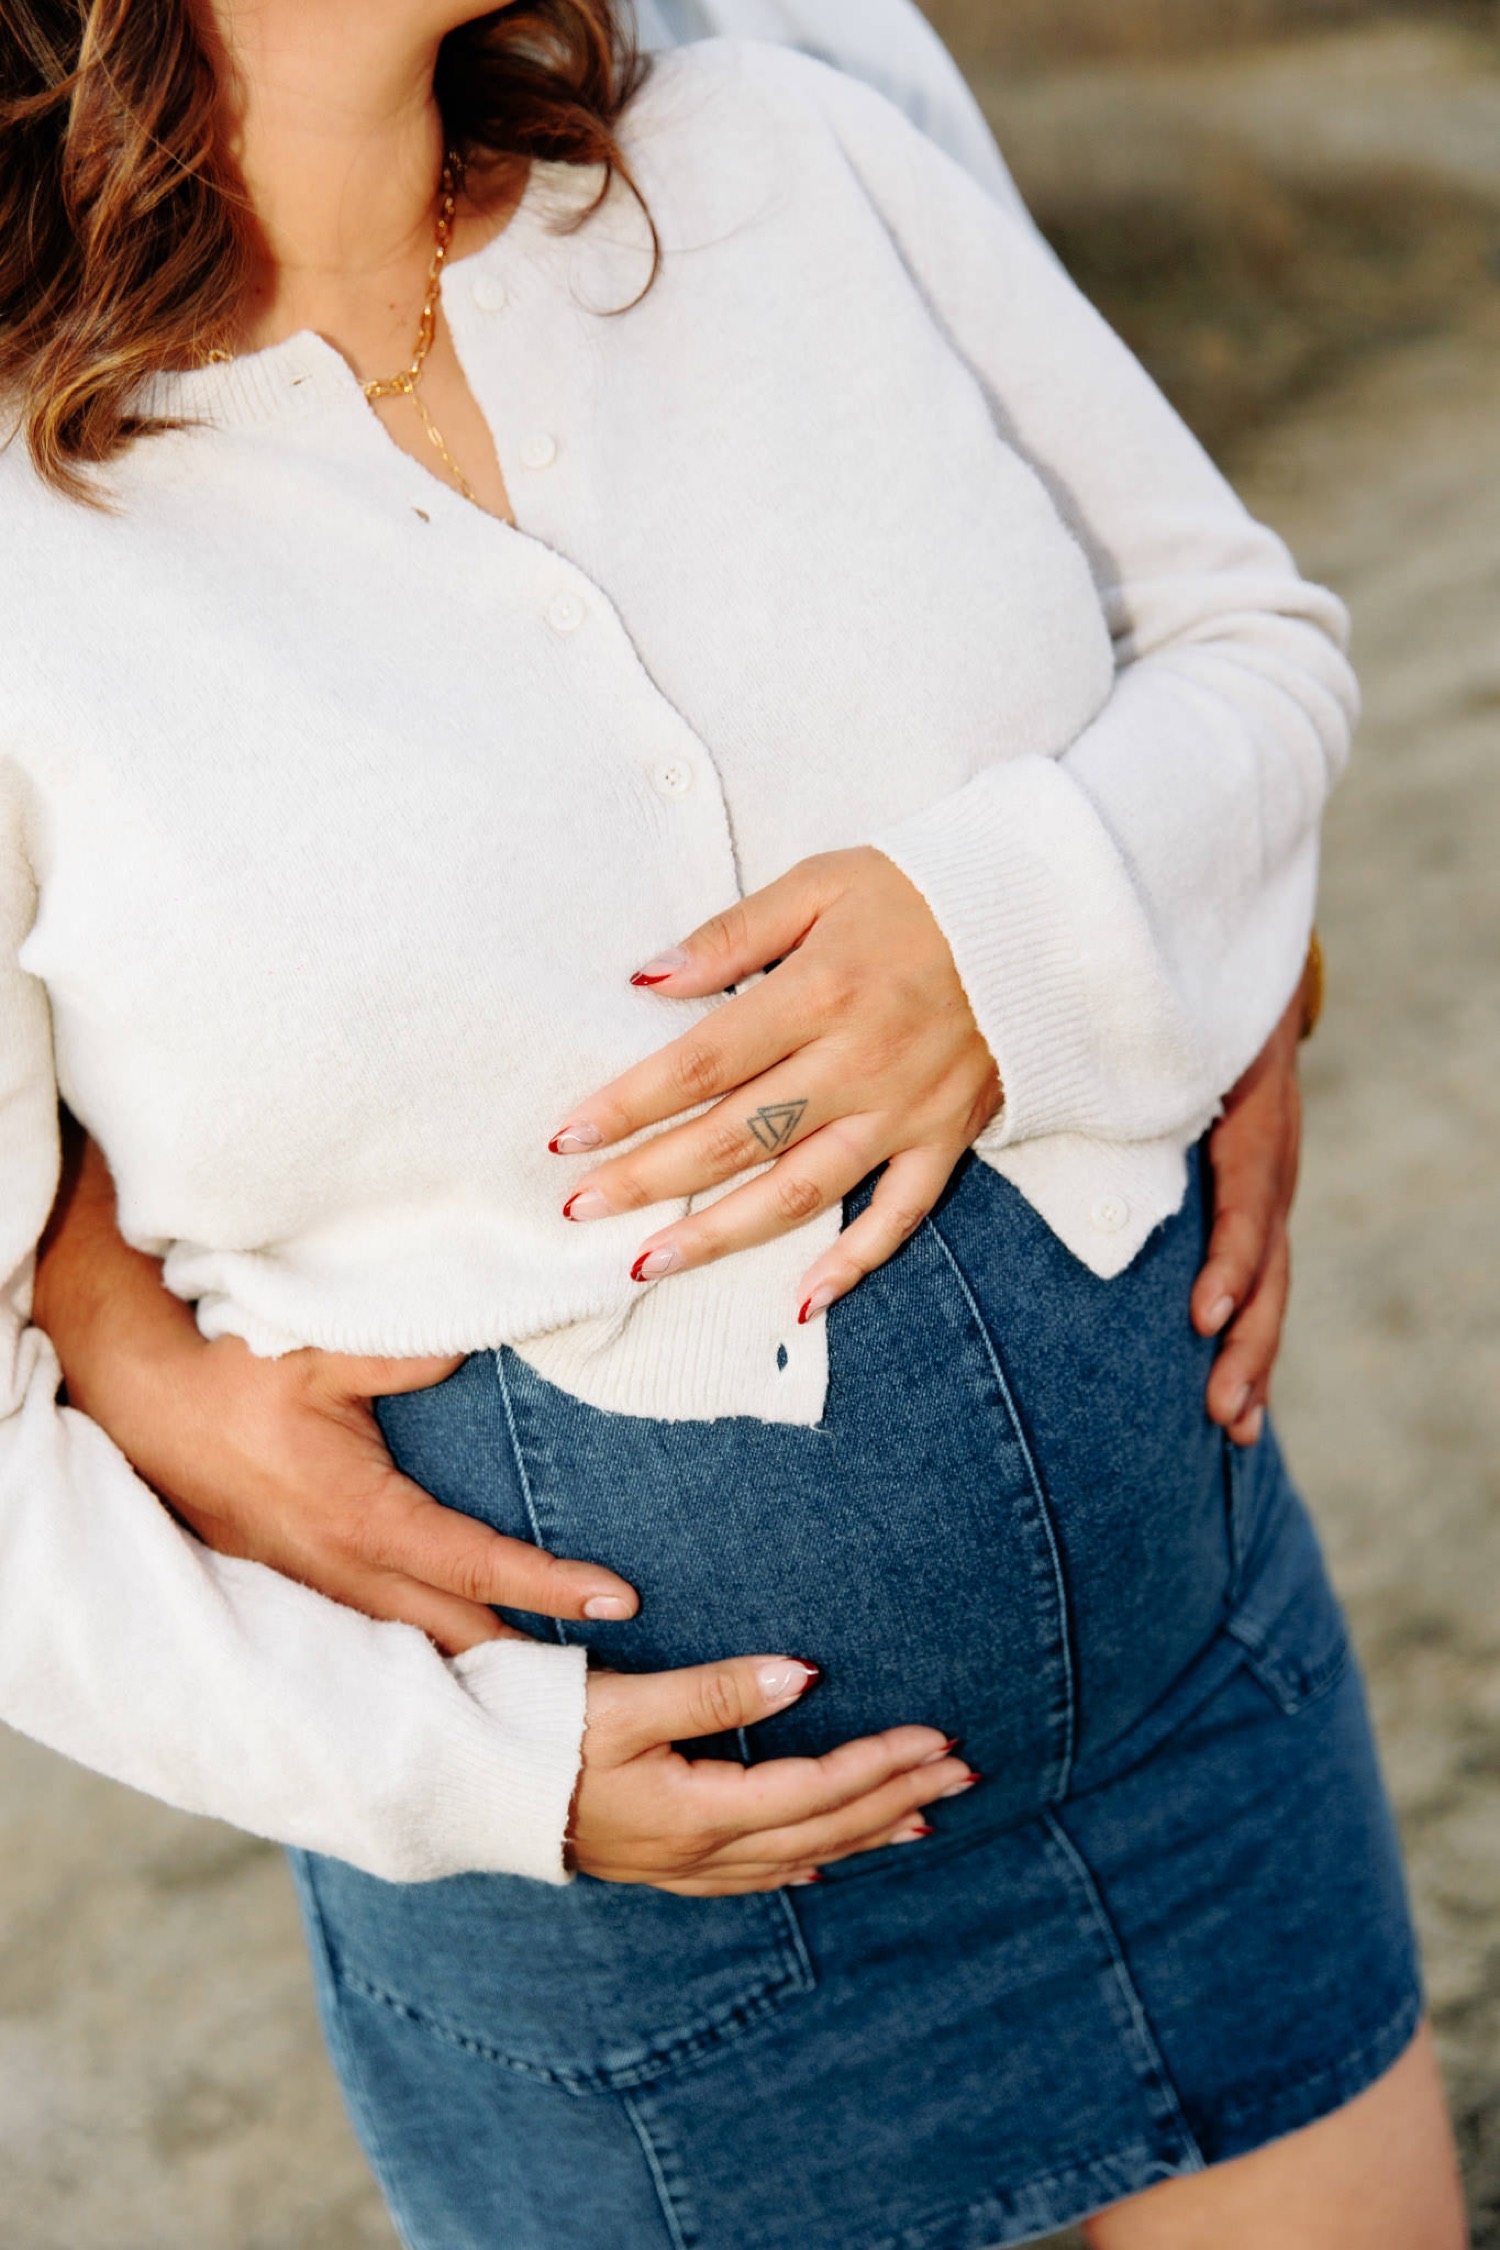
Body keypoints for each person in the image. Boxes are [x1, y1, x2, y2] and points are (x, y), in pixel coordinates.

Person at [0, 3, 1464, 2247]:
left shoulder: (770, 133)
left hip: (1207, 1725)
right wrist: (472, 1774)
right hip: (634, 1975)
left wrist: (1032, 936)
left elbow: (1239, 633)